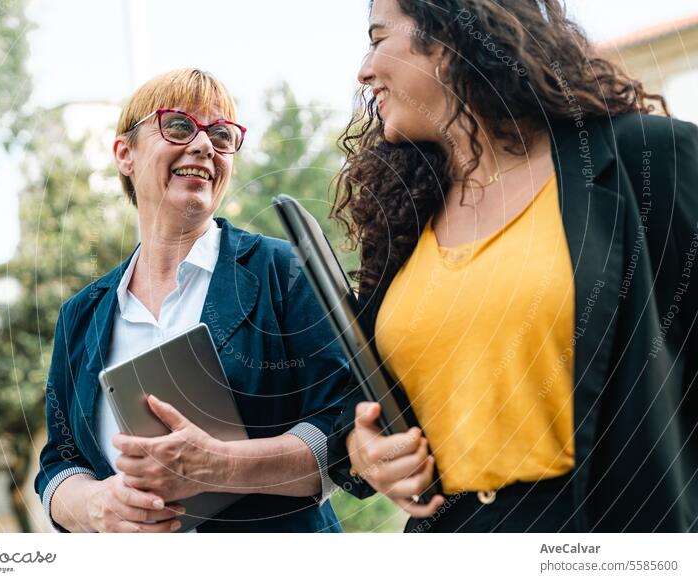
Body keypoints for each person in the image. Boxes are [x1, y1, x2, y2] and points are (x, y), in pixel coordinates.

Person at [327, 0, 698, 532]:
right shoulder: (403, 219)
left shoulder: (648, 158)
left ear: (448, 36)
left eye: (377, 38)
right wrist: (362, 445)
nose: (363, 70)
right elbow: (364, 396)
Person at [34, 69, 349, 533]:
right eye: (179, 126)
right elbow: (59, 462)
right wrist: (96, 504)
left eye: (221, 136)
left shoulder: (283, 271)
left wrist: (221, 464)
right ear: (125, 154)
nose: (204, 145)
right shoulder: (80, 316)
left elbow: (346, 427)